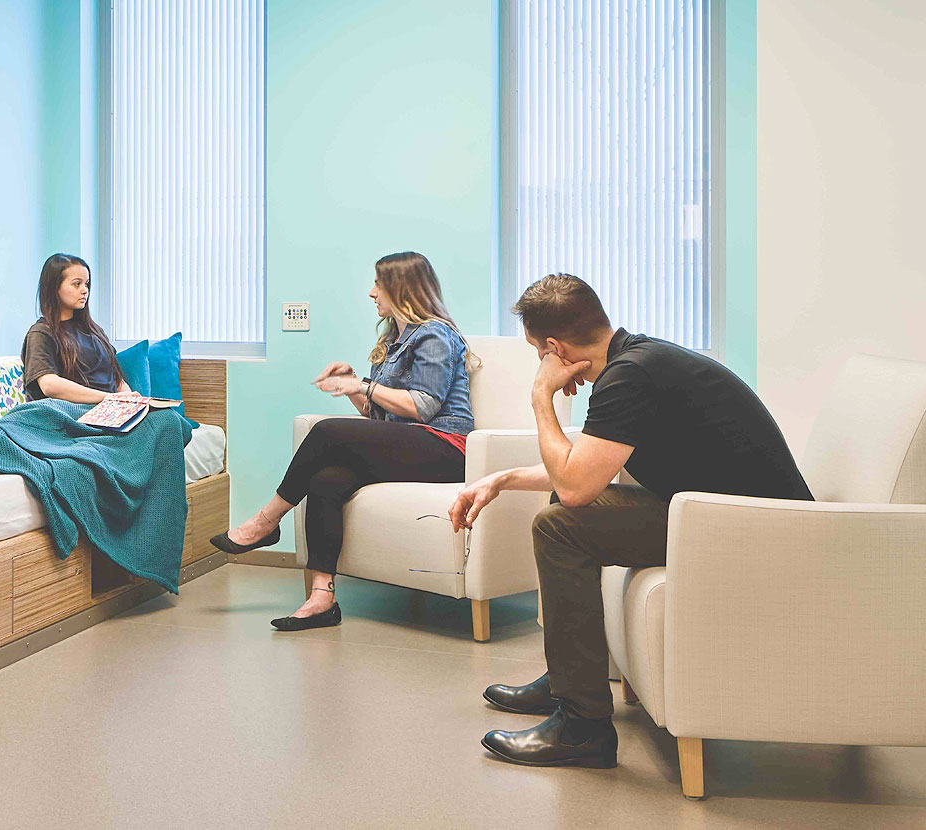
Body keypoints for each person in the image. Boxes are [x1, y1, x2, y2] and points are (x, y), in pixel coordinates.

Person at [450, 273, 812, 769]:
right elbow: (588, 466)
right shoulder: (637, 361)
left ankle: (583, 729)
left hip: (752, 531)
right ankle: (567, 682)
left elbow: (578, 486)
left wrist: (541, 400)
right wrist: (500, 479)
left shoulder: (629, 377)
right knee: (564, 503)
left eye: (539, 354)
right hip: (732, 518)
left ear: (556, 347)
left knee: (559, 524)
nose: (543, 365)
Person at [210, 252, 476, 630]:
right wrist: (355, 383)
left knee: (325, 431)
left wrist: (364, 384)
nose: (371, 293)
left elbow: (424, 407)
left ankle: (266, 522)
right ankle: (322, 599)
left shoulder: (435, 333)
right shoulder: (393, 339)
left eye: (378, 285)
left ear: (401, 289)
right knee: (326, 479)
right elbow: (379, 418)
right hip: (411, 443)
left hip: (447, 448)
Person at [21, 253, 131, 402]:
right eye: (77, 284)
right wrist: (109, 399)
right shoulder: (41, 333)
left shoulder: (95, 331)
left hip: (109, 409)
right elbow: (49, 384)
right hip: (76, 412)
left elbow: (117, 380)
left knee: (165, 416)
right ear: (55, 288)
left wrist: (130, 402)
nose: (85, 290)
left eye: (86, 283)